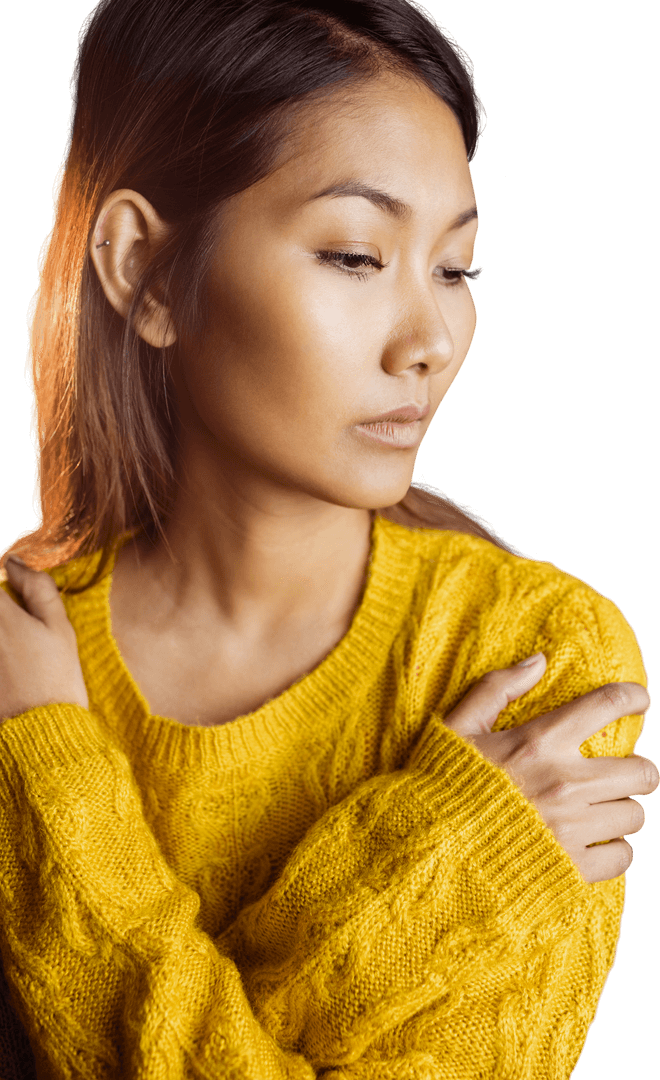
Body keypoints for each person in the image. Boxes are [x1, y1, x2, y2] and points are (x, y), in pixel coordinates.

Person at [0, 2, 656, 1077]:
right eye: (356, 256)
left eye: (457, 269)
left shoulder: (535, 660)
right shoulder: (15, 670)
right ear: (144, 271)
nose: (430, 342)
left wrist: (47, 790)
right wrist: (450, 874)